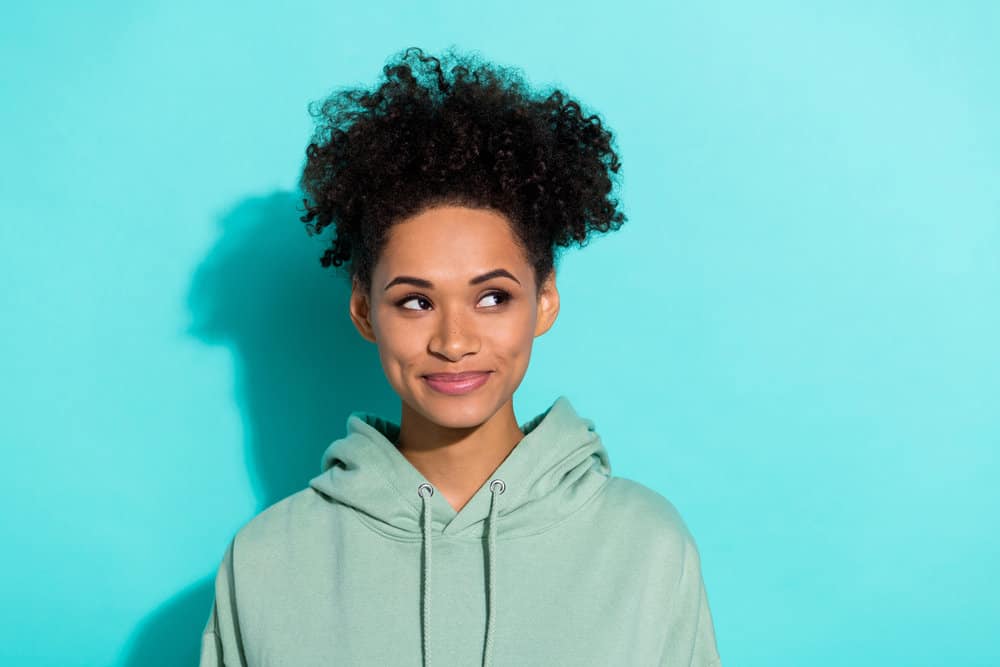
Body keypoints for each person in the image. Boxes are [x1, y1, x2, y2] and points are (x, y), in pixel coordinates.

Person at [200, 45, 722, 667]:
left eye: (493, 297)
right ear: (365, 312)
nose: (453, 342)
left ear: (545, 300)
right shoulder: (265, 561)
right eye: (415, 302)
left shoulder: (646, 544)